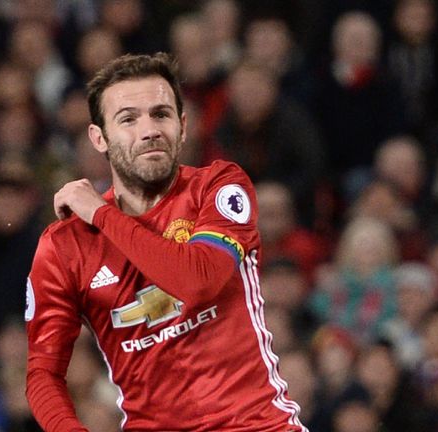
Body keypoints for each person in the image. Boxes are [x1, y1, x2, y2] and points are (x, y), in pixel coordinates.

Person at [24, 52, 305, 431]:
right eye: (128, 119)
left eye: (161, 114)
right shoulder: (65, 246)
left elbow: (199, 281)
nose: (150, 130)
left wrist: (101, 214)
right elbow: (43, 372)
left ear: (183, 126)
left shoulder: (218, 187)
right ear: (99, 138)